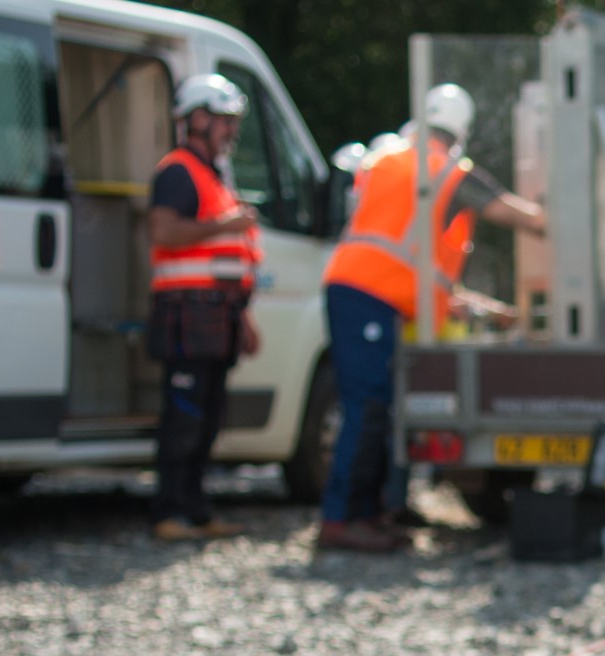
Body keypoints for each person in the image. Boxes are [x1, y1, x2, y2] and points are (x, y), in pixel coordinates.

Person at [317, 83, 545, 553]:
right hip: (366, 295)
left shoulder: (392, 162)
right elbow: (512, 213)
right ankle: (341, 520)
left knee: (374, 409)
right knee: (366, 410)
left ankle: (369, 514)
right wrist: (553, 217)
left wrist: (488, 309)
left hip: (359, 292)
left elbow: (420, 266)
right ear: (459, 135)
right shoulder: (444, 170)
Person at [147, 73, 262, 541]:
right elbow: (165, 232)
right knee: (184, 417)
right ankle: (168, 511)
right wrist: (225, 224)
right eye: (225, 122)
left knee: (209, 417)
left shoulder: (213, 176)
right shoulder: (177, 171)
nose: (231, 131)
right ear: (197, 119)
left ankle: (195, 508)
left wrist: (244, 317)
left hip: (217, 316)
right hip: (186, 315)